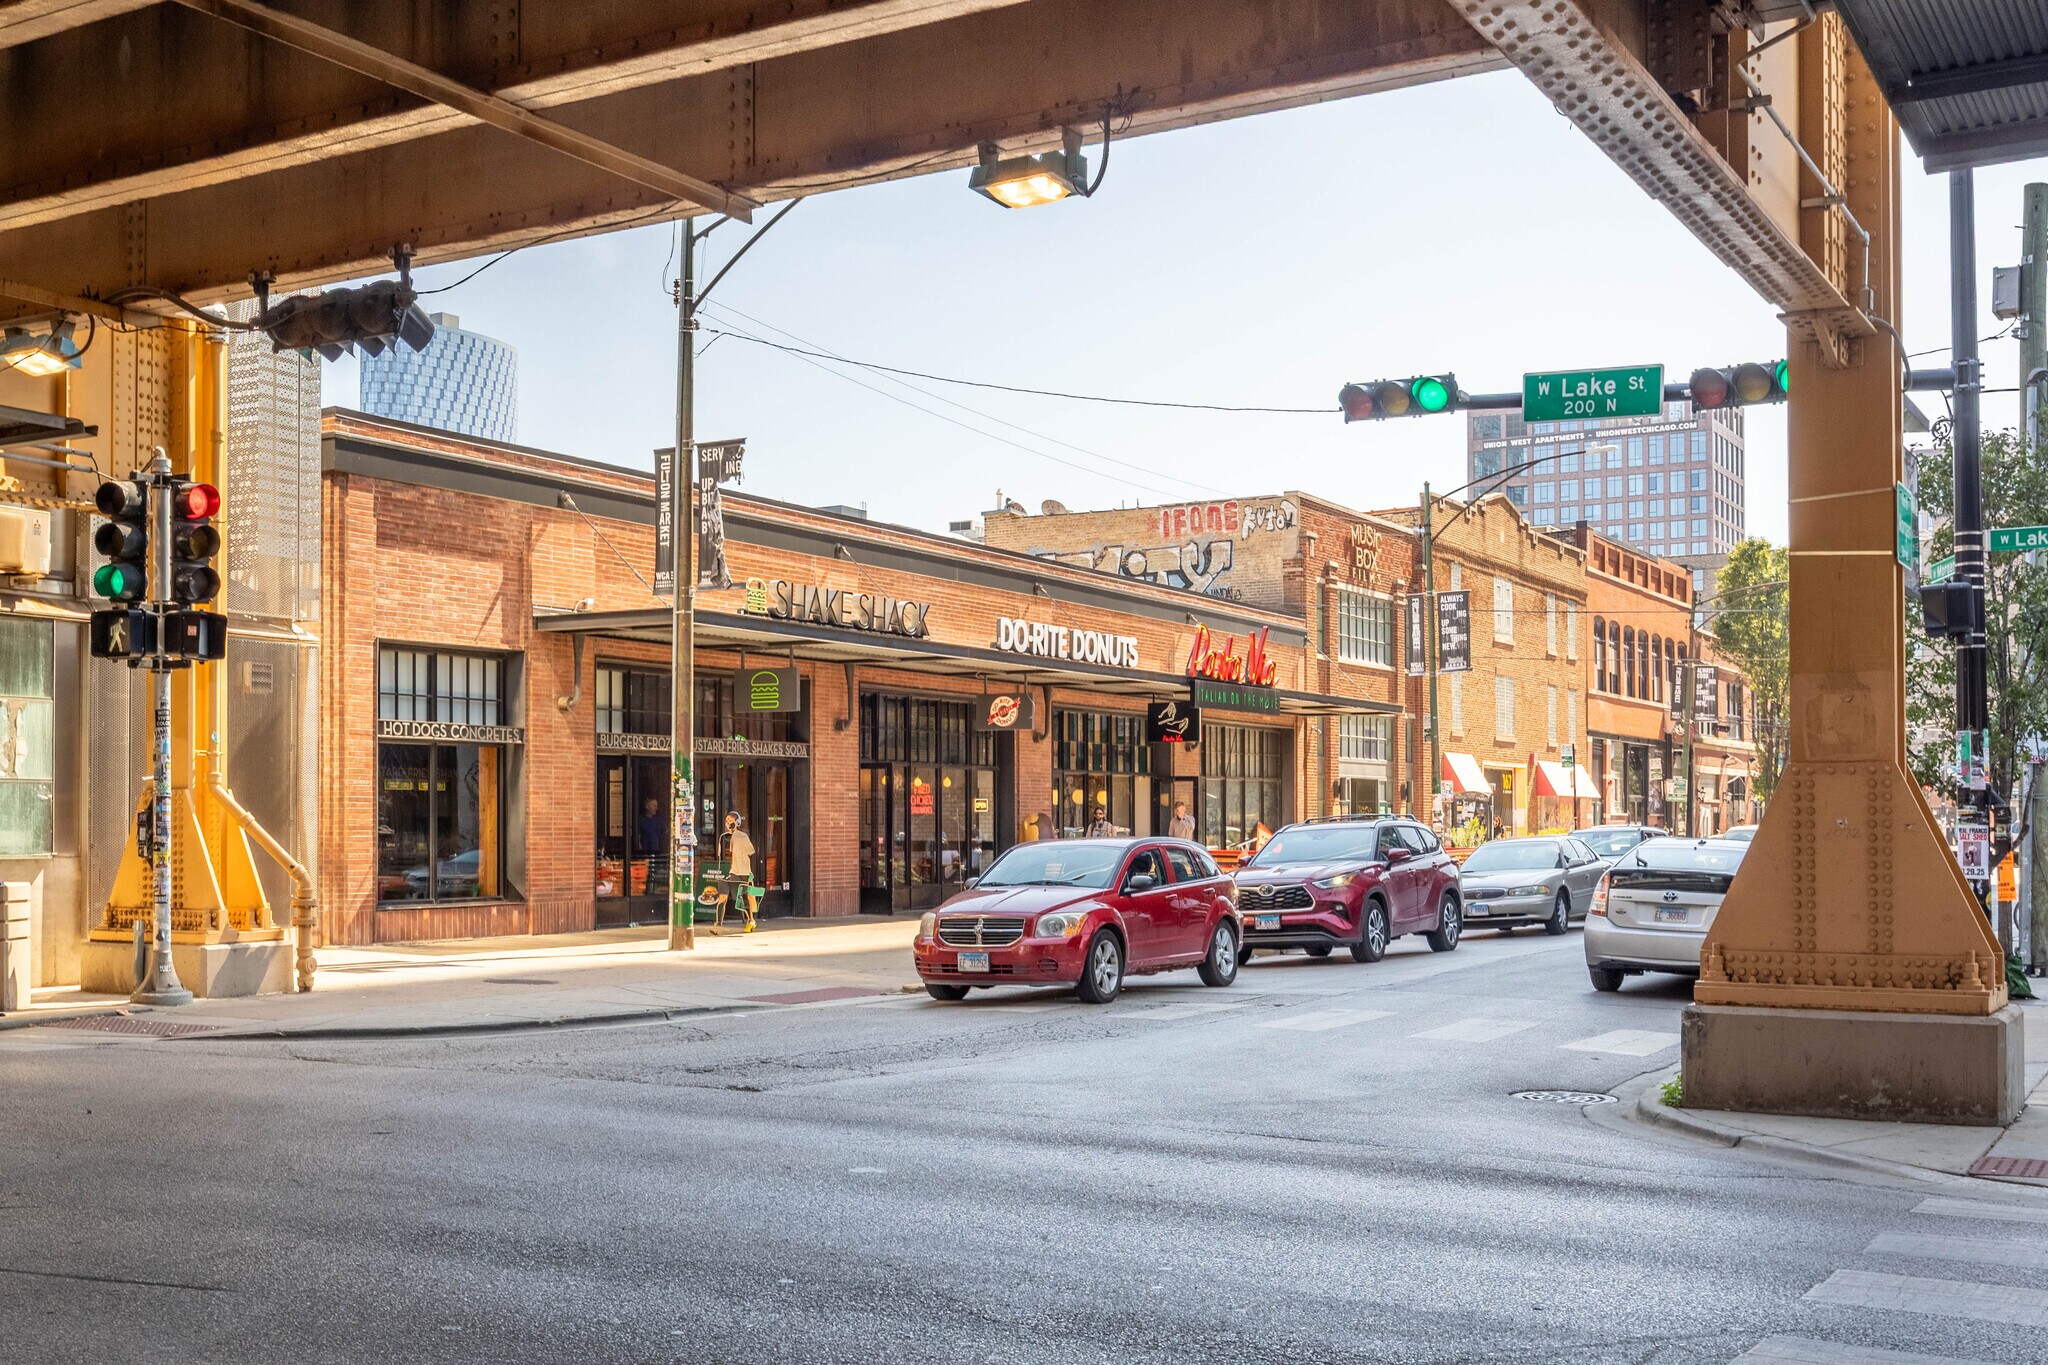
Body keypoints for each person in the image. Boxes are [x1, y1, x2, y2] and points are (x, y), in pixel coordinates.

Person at [723, 811, 758, 932]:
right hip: (735, 871)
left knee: (747, 896)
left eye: (730, 821)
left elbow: (751, 851)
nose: (728, 823)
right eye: (727, 821)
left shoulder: (742, 836)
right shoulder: (731, 836)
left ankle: (751, 920)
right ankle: (750, 919)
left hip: (744, 871)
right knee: (738, 897)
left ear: (737, 822)